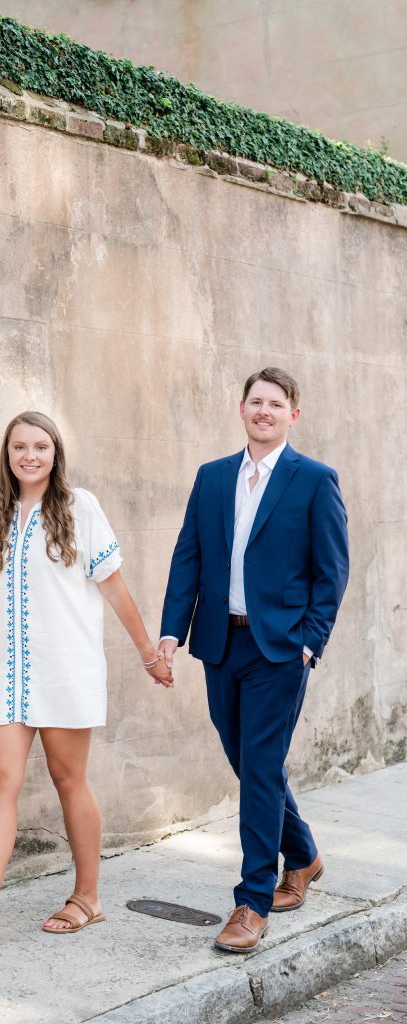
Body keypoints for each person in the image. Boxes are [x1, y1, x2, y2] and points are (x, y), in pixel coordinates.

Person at [0, 410, 173, 951]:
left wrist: (148, 652)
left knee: (68, 780)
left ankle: (88, 896)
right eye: (19, 447)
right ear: (6, 454)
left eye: (40, 447)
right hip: (6, 675)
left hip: (65, 670)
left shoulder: (80, 507)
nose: (29, 456)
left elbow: (114, 587)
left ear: (55, 453)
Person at [159, 368, 349, 953]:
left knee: (261, 766)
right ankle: (305, 855)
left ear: (293, 414)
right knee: (250, 764)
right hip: (220, 642)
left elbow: (331, 571)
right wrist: (171, 633)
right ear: (242, 409)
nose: (263, 411)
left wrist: (309, 643)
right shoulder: (212, 477)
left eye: (276, 403)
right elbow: (187, 555)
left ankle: (252, 901)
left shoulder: (314, 480)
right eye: (255, 402)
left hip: (280, 649)